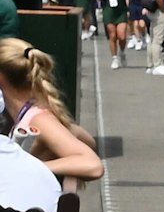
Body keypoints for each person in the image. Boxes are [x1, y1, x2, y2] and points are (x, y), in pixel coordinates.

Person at [0, 37, 102, 181]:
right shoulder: (34, 109)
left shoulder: (38, 119)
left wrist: (31, 167)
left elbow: (93, 165)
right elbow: (89, 141)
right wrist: (69, 130)